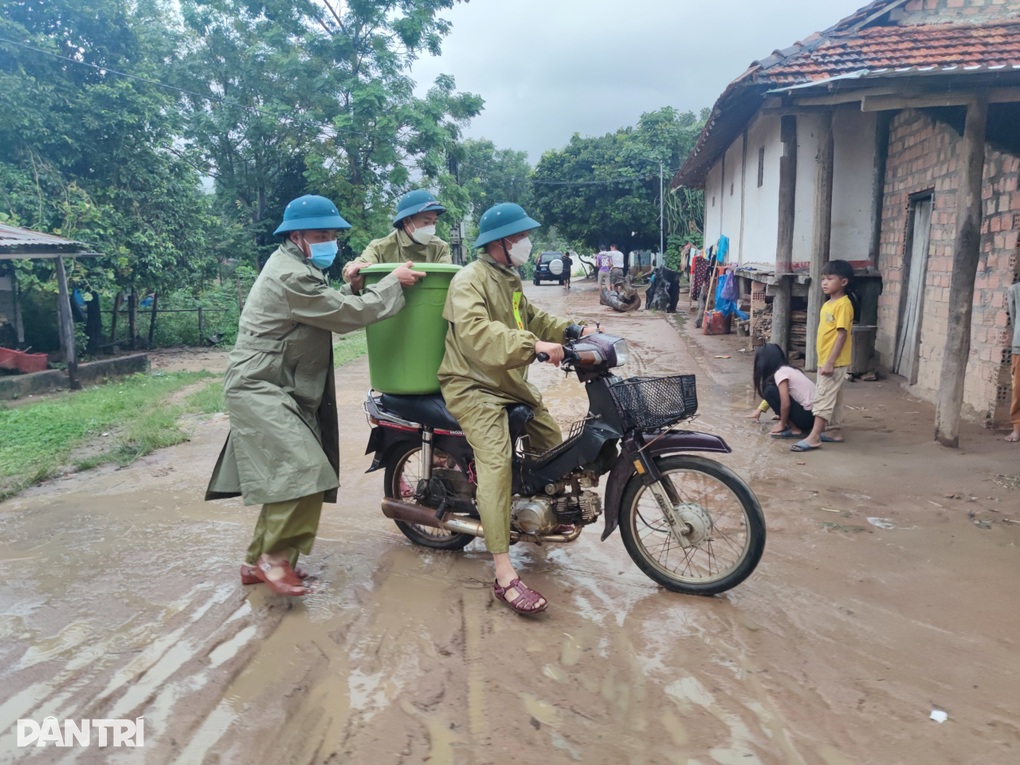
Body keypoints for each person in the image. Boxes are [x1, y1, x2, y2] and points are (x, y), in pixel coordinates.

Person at [206, 194, 425, 596]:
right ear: (297, 236)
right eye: (321, 235)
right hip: (260, 385)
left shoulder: (299, 266)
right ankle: (274, 560)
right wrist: (392, 283)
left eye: (332, 235)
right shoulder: (292, 274)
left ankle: (258, 562)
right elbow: (346, 316)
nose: (330, 242)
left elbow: (327, 305)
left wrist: (352, 287)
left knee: (288, 476)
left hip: (280, 383)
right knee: (305, 471)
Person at [438, 202, 596, 615]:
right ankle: (504, 573)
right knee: (496, 464)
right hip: (473, 385)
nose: (527, 243)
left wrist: (572, 330)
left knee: (550, 438)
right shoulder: (468, 280)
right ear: (500, 243)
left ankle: (539, 510)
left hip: (507, 382)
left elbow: (530, 317)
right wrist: (534, 346)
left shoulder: (509, 277)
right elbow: (479, 334)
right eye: (520, 237)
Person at [791, 259, 854, 452]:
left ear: (843, 282)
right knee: (834, 396)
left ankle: (814, 436)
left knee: (823, 397)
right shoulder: (828, 304)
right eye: (823, 279)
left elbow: (842, 335)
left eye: (830, 279)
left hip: (833, 361)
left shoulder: (843, 305)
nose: (825, 283)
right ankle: (834, 431)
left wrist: (830, 362)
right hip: (826, 359)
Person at [342, 189, 450, 283]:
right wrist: (351, 269)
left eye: (434, 222)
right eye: (426, 222)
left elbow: (448, 278)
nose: (431, 228)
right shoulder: (380, 247)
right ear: (406, 221)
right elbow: (356, 268)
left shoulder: (440, 248)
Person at [753, 343, 816, 438]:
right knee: (772, 391)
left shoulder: (780, 373)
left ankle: (795, 430)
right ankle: (791, 422)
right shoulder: (790, 369)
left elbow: (786, 403)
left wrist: (782, 424)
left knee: (769, 392)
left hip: (807, 418)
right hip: (816, 416)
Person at [1007, 277, 1020, 442]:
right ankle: (1017, 428)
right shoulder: (1015, 290)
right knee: (1018, 390)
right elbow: (1014, 318)